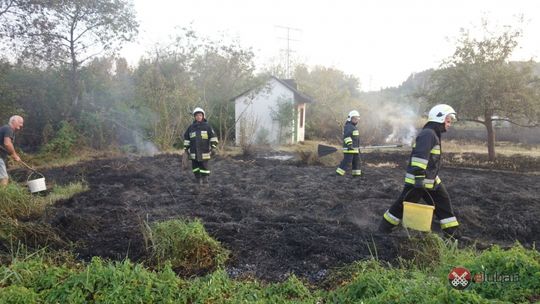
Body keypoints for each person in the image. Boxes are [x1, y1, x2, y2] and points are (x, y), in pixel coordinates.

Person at [378, 104, 460, 238]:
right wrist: (419, 179)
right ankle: (382, 230)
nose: (450, 124)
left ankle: (452, 235)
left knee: (444, 205)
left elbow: (430, 161)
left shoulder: (433, 133)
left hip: (431, 181)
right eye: (448, 120)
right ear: (439, 118)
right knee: (401, 207)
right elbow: (419, 157)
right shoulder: (428, 134)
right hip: (419, 181)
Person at [183, 107, 218, 185]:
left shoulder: (207, 126)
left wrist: (213, 147)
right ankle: (197, 180)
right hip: (193, 153)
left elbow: (213, 137)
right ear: (195, 117)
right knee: (195, 167)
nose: (198, 117)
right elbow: (186, 139)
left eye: (200, 115)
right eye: (197, 115)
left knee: (204, 167)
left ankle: (205, 181)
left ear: (203, 116)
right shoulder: (191, 127)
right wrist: (186, 150)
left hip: (204, 152)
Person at [336, 110, 362, 177]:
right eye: (354, 118)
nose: (356, 120)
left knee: (356, 162)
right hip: (349, 149)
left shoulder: (354, 127)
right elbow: (347, 137)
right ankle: (338, 174)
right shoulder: (348, 126)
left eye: (357, 118)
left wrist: (358, 148)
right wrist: (349, 145)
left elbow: (356, 139)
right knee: (347, 161)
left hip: (355, 149)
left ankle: (356, 175)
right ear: (350, 118)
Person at [0, 115, 24, 186]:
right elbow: (7, 143)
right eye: (20, 122)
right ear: (13, 121)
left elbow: (4, 146)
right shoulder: (8, 129)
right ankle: (3, 196)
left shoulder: (5, 128)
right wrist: (15, 155)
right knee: (4, 178)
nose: (21, 125)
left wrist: (12, 154)